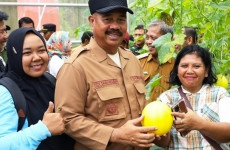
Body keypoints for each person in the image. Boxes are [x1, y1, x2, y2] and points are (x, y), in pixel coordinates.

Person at [55, 0, 161, 149]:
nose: (115, 26)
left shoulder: (132, 60)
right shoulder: (76, 66)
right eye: (108, 19)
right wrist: (115, 134)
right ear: (92, 21)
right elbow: (67, 119)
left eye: (121, 19)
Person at [158, 45, 230, 149]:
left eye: (196, 66)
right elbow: (164, 143)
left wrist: (199, 124)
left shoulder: (220, 94)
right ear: (177, 70)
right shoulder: (166, 98)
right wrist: (159, 134)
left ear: (206, 71)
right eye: (184, 66)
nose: (190, 71)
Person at [0, 28, 66, 149]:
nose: (36, 57)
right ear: (14, 55)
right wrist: (43, 129)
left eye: (41, 51)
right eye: (27, 53)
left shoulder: (50, 80)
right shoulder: (6, 91)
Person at [139, 20, 175, 103]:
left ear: (167, 40)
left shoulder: (178, 64)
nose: (148, 42)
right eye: (147, 38)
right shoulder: (139, 62)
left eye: (154, 38)